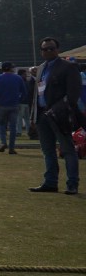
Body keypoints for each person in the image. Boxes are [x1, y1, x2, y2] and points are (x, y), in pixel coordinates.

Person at [28, 37, 82, 195]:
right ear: (41, 51)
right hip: (42, 114)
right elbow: (36, 95)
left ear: (58, 50)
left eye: (51, 48)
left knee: (67, 150)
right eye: (45, 49)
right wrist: (33, 116)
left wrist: (59, 110)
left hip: (59, 115)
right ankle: (50, 182)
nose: (48, 51)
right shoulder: (40, 68)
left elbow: (73, 94)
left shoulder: (68, 67)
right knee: (47, 151)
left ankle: (72, 183)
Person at [0, 62, 26, 155]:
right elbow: (24, 92)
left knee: (1, 125)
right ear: (10, 68)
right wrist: (18, 99)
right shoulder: (18, 78)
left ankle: (3, 142)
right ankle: (11, 147)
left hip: (1, 105)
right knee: (13, 127)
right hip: (14, 105)